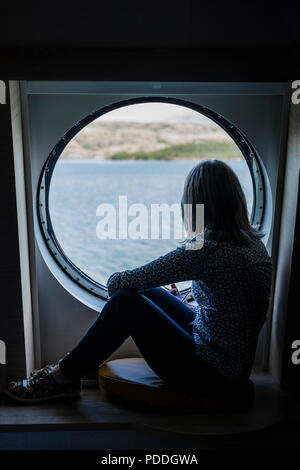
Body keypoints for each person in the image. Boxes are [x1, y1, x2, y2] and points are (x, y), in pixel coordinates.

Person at [5, 160, 273, 403]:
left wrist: (123, 281)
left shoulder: (207, 249)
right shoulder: (253, 244)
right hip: (229, 364)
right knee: (151, 293)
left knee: (125, 301)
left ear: (197, 204)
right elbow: (227, 311)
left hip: (209, 375)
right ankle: (80, 365)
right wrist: (179, 303)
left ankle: (62, 377)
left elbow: (120, 282)